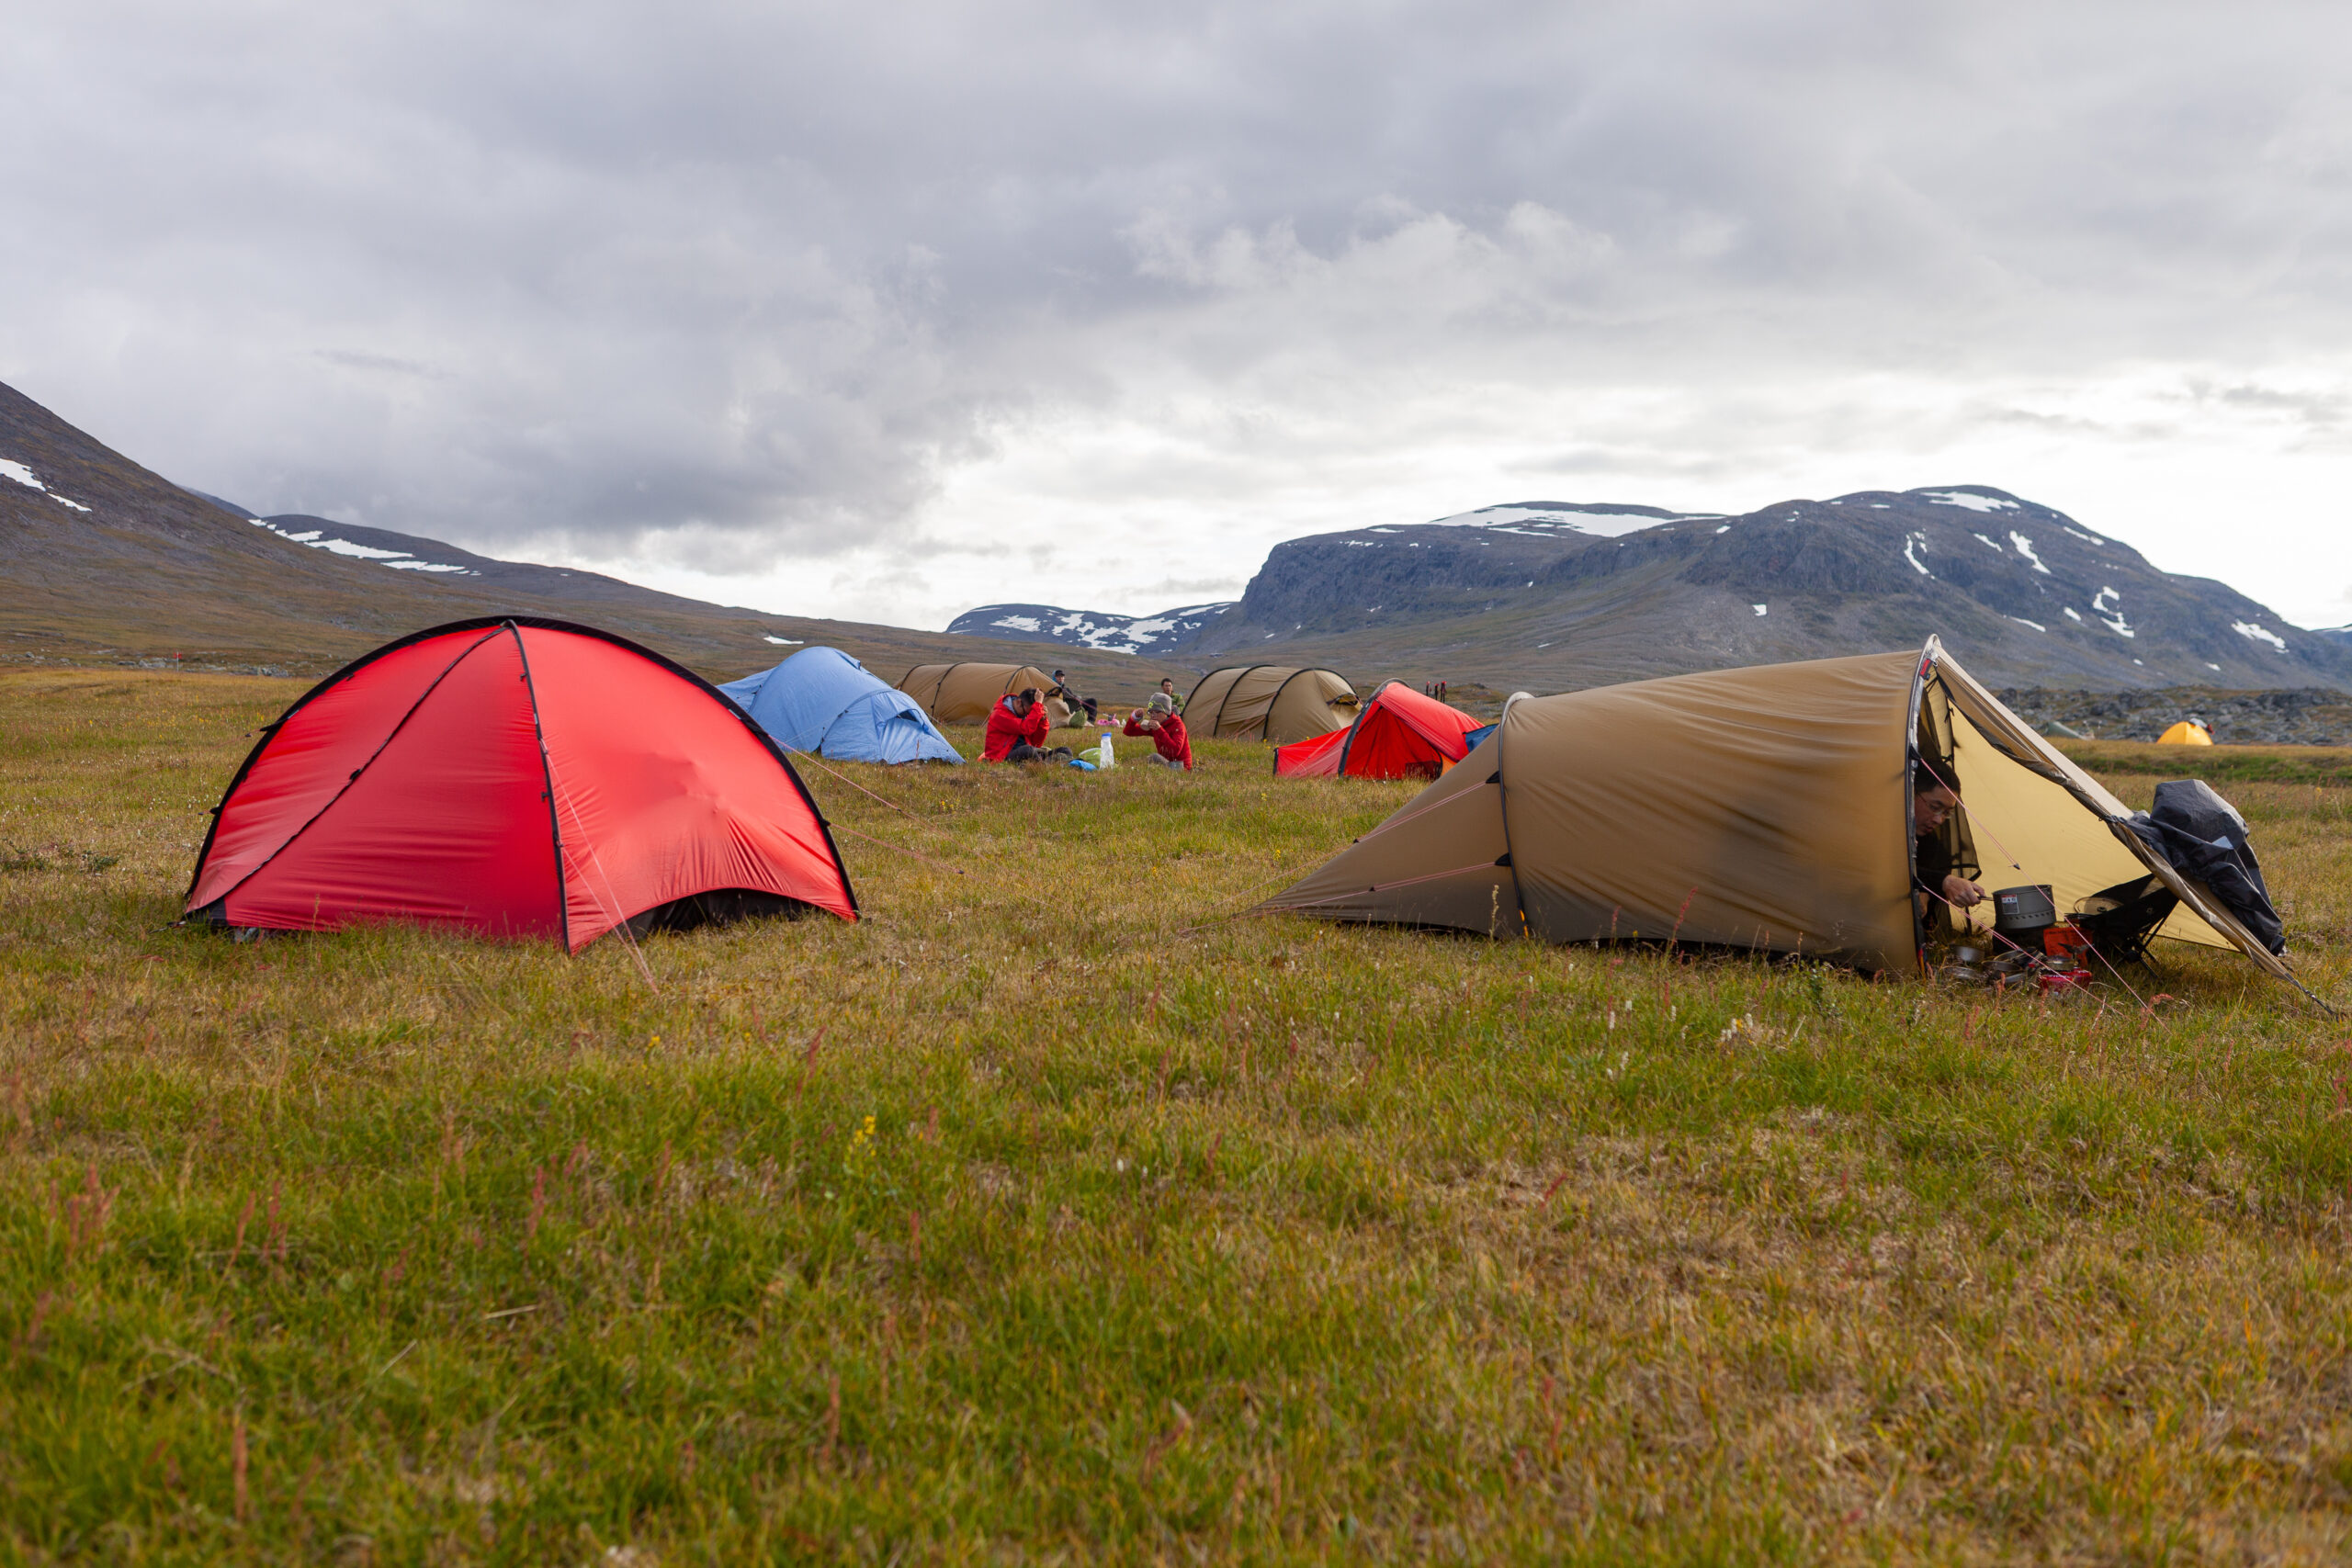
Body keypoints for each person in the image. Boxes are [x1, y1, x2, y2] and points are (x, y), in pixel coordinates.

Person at [1913, 762, 1985, 923]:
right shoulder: (1879, 830)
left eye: (1946, 813)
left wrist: (1927, 895)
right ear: (1910, 793)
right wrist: (1945, 881)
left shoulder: (1933, 846)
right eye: (1934, 807)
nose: (1939, 820)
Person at [985, 686, 1063, 763]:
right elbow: (1026, 728)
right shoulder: (999, 715)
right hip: (1001, 756)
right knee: (1028, 750)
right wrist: (1038, 706)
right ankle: (1044, 766)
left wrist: (1042, 720)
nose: (1027, 716)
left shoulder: (1022, 712)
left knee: (1064, 750)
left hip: (1025, 751)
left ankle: (1064, 763)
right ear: (1019, 702)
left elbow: (1036, 743)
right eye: (1027, 713)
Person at [1124, 705, 1193, 770]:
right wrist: (1134, 717)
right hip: (1167, 765)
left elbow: (1175, 752)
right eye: (1151, 712)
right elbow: (1129, 731)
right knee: (1140, 760)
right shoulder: (1156, 725)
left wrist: (1159, 730)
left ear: (1166, 712)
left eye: (1157, 712)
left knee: (1153, 757)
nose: (1153, 715)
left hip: (1181, 767)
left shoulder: (1178, 725)